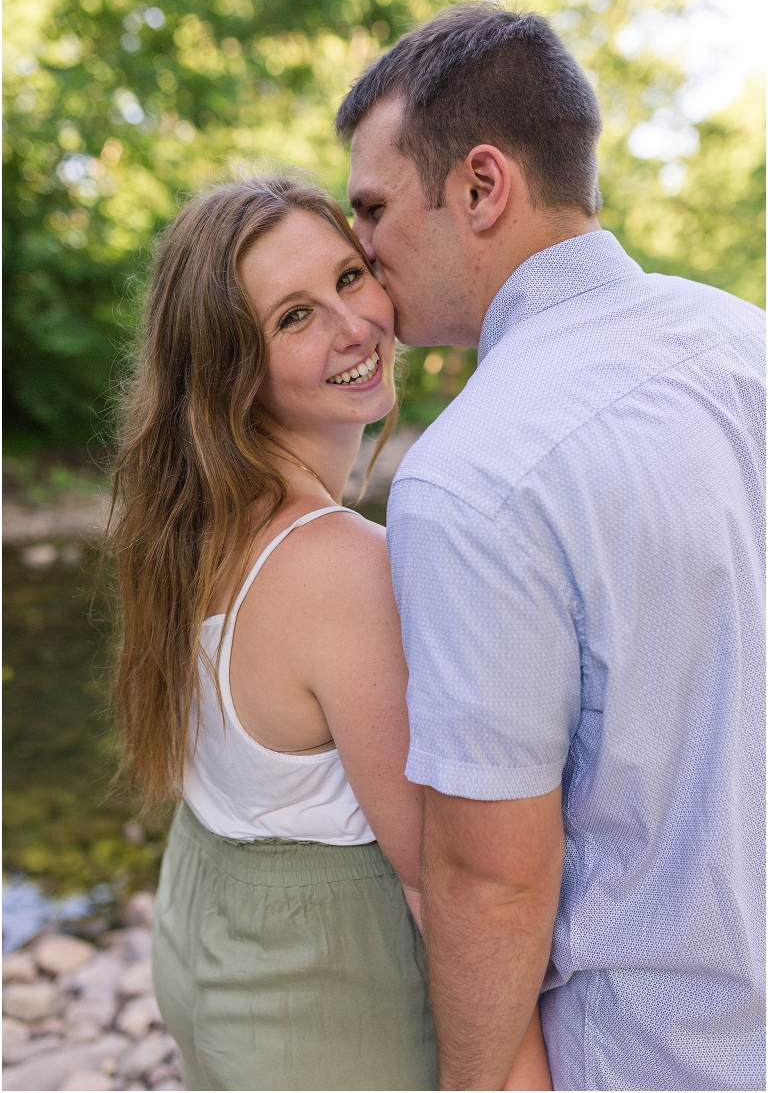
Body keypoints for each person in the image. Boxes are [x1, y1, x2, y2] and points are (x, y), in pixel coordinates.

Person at [337, 4, 766, 1091]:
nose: (362, 249)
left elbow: (493, 878)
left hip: (665, 1057)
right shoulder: (749, 345)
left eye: (375, 207)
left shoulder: (469, 475)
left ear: (482, 187)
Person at [105, 173, 548, 1091]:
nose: (353, 326)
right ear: (232, 365)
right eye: (292, 317)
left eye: (350, 278)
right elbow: (444, 877)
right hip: (324, 999)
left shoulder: (189, 521)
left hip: (215, 939)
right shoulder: (342, 564)